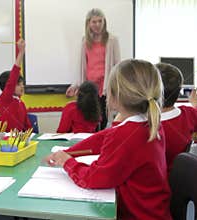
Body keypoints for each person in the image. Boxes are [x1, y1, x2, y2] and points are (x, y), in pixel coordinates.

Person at [45, 59, 172, 219]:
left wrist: (67, 162)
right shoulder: (150, 123)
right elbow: (103, 138)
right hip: (155, 212)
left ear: (114, 96)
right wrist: (68, 152)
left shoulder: (125, 134)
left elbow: (93, 178)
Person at [66, 8, 120, 129]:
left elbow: (117, 65)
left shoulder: (112, 40)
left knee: (104, 119)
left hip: (105, 86)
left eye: (100, 21)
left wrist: (116, 87)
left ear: (104, 22)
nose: (97, 25)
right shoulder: (85, 41)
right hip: (89, 87)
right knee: (90, 121)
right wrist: (76, 85)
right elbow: (81, 66)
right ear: (88, 23)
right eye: (94, 22)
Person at [157, 62, 197, 172]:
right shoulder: (189, 113)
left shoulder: (141, 123)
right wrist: (195, 105)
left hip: (151, 183)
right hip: (179, 180)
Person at [0, 39, 31, 131]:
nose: (22, 86)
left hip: (19, 140)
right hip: (5, 141)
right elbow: (13, 76)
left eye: (22, 84)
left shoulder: (21, 103)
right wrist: (21, 52)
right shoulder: (5, 99)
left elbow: (27, 126)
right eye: (18, 84)